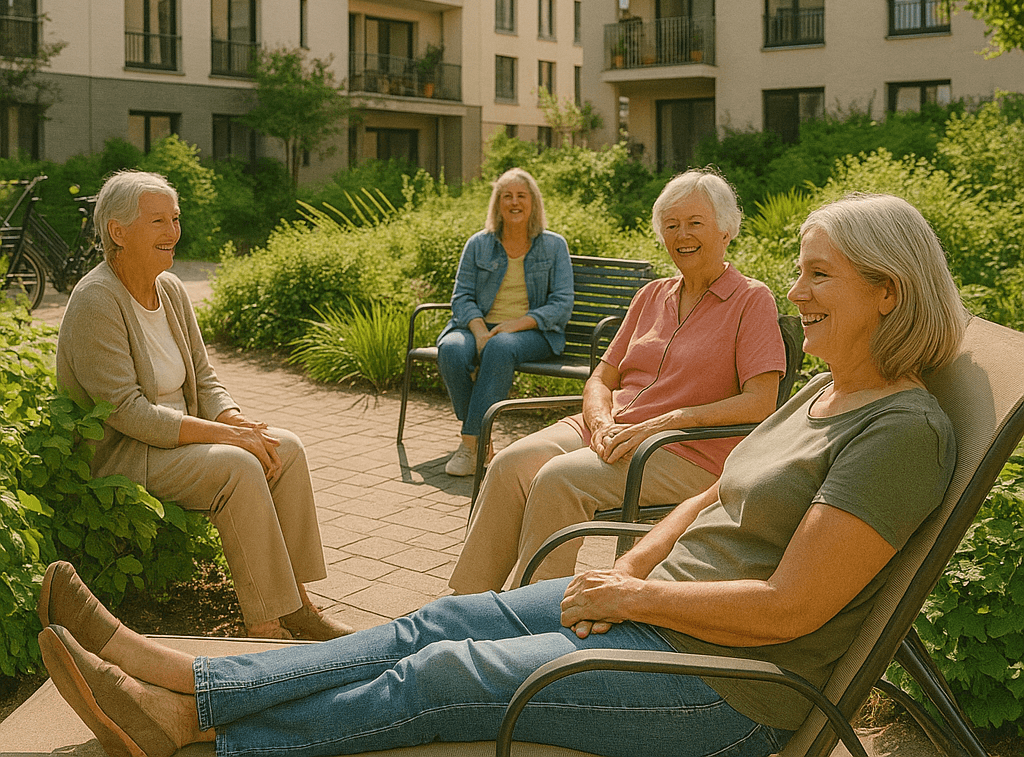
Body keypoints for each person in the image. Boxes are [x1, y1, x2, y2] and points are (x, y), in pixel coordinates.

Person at [37, 192, 968, 757]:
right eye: (801, 274)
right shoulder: (825, 395)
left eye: (820, 277)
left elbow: (788, 612)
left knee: (442, 675)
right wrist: (636, 569)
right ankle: (183, 677)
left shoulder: (900, 432)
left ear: (889, 291)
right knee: (437, 619)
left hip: (724, 688)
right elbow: (715, 501)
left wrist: (639, 601)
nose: (797, 293)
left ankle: (199, 724)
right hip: (660, 616)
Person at [449, 167, 786, 594]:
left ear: (726, 230)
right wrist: (601, 419)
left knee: (559, 479)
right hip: (612, 429)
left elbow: (761, 401)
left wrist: (664, 422)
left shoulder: (750, 299)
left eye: (695, 222)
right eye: (671, 225)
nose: (681, 234)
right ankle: (464, 603)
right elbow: (603, 376)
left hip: (684, 449)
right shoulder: (651, 295)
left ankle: (529, 614)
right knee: (509, 464)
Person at [55, 170, 349, 641]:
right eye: (158, 221)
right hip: (126, 454)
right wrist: (227, 436)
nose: (173, 232)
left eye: (175, 219)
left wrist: (234, 419)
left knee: (284, 447)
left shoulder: (169, 289)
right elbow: (127, 412)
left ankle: (297, 605)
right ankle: (265, 623)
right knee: (237, 465)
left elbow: (205, 378)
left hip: (180, 444)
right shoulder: (96, 299)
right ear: (118, 231)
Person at [436, 167, 573, 476]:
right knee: (451, 350)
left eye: (521, 196)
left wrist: (517, 323)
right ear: (497, 204)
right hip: (478, 328)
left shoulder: (554, 246)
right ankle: (483, 442)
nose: (514, 202)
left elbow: (561, 304)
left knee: (500, 347)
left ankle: (470, 444)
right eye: (506, 196)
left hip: (533, 332)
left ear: (533, 202)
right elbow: (461, 297)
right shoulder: (479, 244)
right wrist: (480, 330)